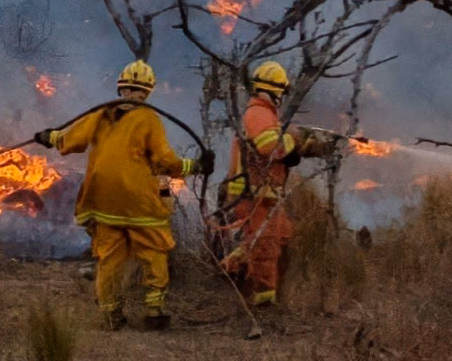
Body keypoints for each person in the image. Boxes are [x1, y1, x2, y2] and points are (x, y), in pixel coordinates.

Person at [35, 59, 214, 330]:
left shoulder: (101, 114)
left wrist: (49, 137)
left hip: (101, 200)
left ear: (121, 87)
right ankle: (154, 310)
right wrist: (195, 166)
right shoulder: (148, 119)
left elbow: (72, 139)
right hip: (138, 202)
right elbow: (165, 162)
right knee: (154, 249)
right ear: (148, 91)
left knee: (109, 257)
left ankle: (111, 315)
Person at [219, 60, 335, 307]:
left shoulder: (265, 114)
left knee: (281, 235)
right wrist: (294, 142)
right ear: (274, 90)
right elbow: (268, 146)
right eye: (281, 92)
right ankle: (264, 302)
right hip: (254, 193)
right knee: (266, 246)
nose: (281, 97)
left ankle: (234, 262)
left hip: (264, 192)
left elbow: (278, 145)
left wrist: (310, 147)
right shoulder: (259, 113)